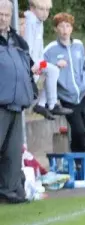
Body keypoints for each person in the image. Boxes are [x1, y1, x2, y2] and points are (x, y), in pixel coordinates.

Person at [43, 12, 85, 177]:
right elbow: (39, 63)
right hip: (66, 98)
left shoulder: (78, 45)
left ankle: (80, 165)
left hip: (82, 95)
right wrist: (53, 64)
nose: (65, 30)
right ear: (56, 29)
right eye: (61, 27)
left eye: (67, 26)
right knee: (79, 131)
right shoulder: (50, 49)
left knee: (82, 132)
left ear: (72, 28)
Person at [0, 0, 38, 204]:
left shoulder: (17, 40)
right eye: (0, 14)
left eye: (6, 14)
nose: (3, 18)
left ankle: (11, 191)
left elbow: (28, 67)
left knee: (13, 152)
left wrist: (30, 90)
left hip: (16, 103)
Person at [24, 0, 72, 120]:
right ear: (32, 8)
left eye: (47, 10)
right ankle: (49, 104)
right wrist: (33, 65)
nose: (45, 13)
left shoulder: (39, 23)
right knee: (52, 70)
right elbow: (27, 47)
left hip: (38, 61)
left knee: (54, 69)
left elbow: (39, 50)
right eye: (41, 9)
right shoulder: (29, 20)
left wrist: (42, 64)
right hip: (29, 63)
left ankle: (46, 105)